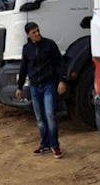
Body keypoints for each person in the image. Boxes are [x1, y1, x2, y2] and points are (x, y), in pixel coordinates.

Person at [16, 22, 67, 159]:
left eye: (38, 31)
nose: (37, 34)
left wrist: (62, 80)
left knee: (50, 114)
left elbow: (59, 63)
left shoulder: (49, 45)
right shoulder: (27, 49)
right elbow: (23, 68)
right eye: (34, 32)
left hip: (49, 84)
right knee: (40, 118)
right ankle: (44, 143)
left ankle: (55, 145)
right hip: (34, 86)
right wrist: (19, 87)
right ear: (28, 35)